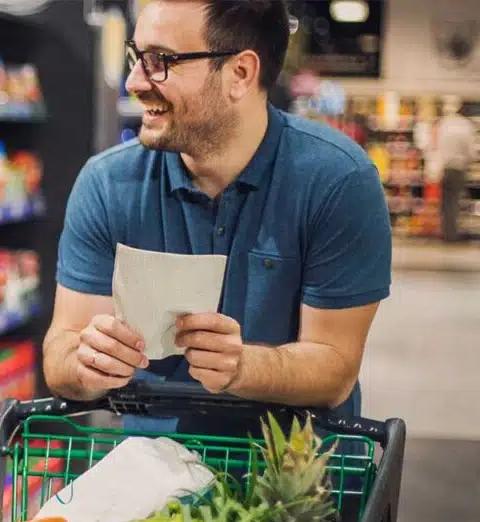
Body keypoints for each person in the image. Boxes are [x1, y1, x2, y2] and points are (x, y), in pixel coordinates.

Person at [43, 0, 392, 433]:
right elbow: (60, 354)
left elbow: (336, 369)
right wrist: (84, 363)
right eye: (137, 57)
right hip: (148, 481)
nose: (134, 81)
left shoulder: (337, 181)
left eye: (160, 61)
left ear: (240, 74)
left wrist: (244, 366)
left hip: (298, 482)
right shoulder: (107, 184)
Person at [434, 95, 477, 243]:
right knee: (456, 202)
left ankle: (446, 233)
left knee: (446, 203)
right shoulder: (466, 125)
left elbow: (435, 148)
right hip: (459, 168)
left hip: (445, 169)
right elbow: (471, 152)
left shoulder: (442, 124)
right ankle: (453, 235)